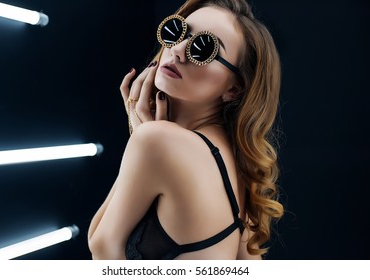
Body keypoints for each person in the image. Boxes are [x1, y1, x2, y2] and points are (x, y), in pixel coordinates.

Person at [88, 0, 284, 260]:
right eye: (176, 31)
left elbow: (101, 248)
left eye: (204, 48)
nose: (178, 50)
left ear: (234, 89)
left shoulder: (157, 140)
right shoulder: (237, 164)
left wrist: (142, 137)